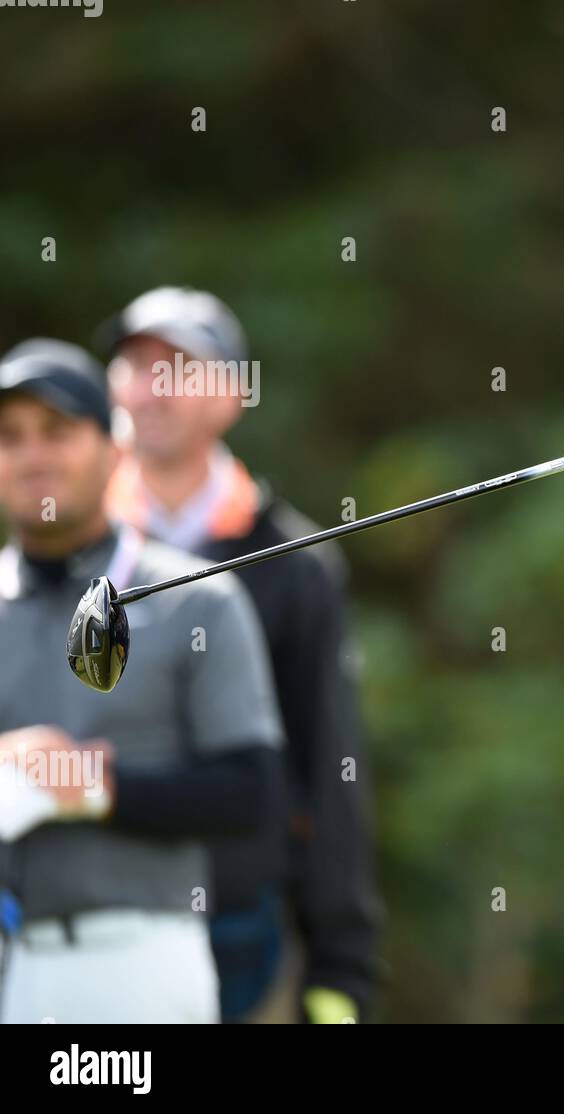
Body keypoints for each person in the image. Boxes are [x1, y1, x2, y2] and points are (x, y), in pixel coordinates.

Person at [98, 288, 383, 1024]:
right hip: (86, 932)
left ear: (230, 397)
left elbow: (330, 767)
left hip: (244, 939)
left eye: (178, 368)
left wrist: (341, 965)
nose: (150, 388)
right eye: (133, 365)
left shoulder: (296, 564)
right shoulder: (66, 552)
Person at [0, 338, 284, 1023]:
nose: (33, 454)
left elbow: (249, 793)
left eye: (59, 432)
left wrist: (95, 785)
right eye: (10, 437)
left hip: (142, 968)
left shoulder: (197, 600)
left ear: (114, 449)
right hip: (15, 967)